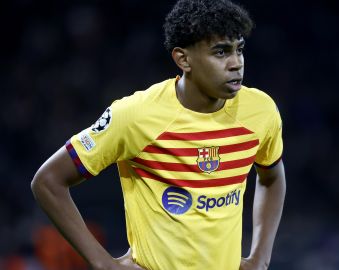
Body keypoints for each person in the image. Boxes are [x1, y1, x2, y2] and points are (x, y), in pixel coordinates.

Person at [31, 0, 286, 269]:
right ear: (183, 59)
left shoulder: (261, 111)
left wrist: (260, 257)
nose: (236, 63)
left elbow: (271, 177)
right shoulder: (135, 115)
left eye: (239, 49)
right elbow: (48, 181)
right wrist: (102, 262)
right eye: (221, 52)